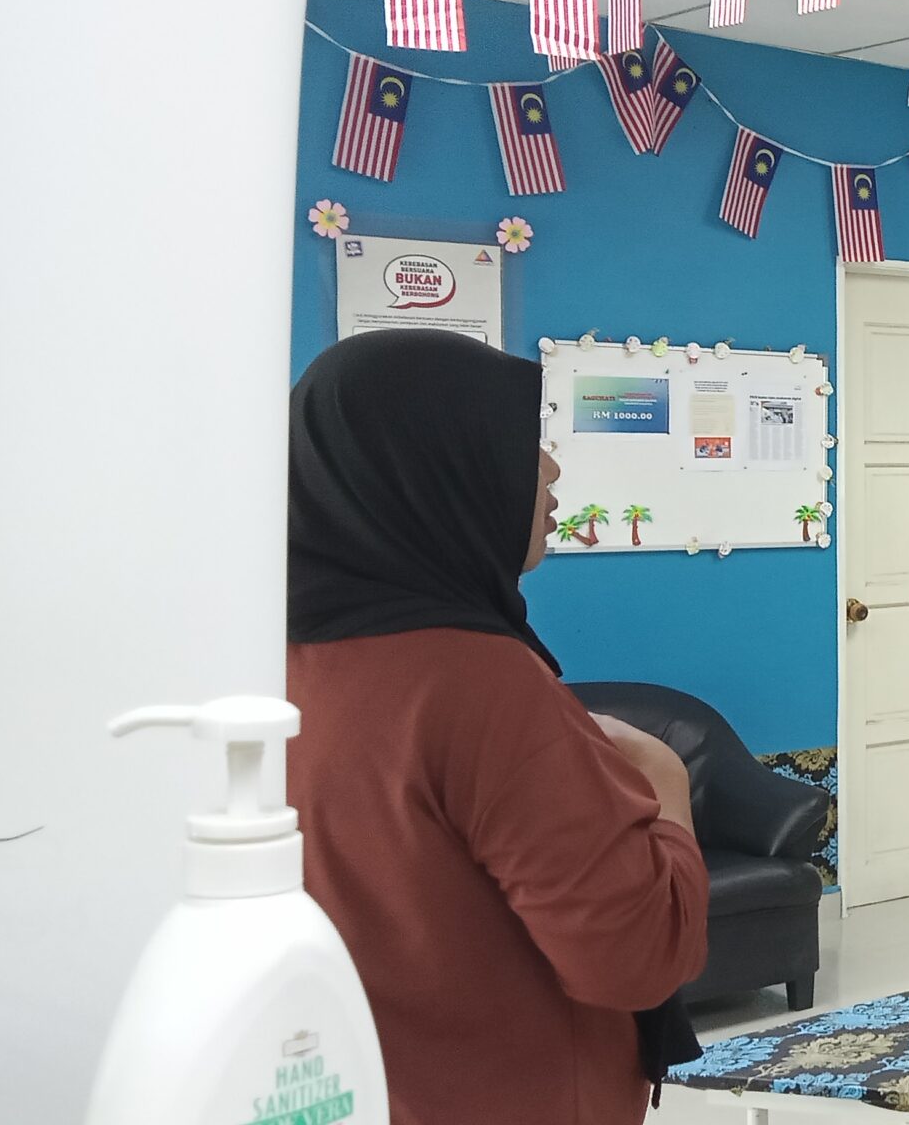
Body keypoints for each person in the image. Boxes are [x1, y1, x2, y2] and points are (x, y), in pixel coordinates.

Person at [286, 331, 710, 1125]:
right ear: (434, 469)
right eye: (521, 443)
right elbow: (636, 959)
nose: (550, 470)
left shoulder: (269, 662)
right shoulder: (474, 680)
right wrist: (663, 779)